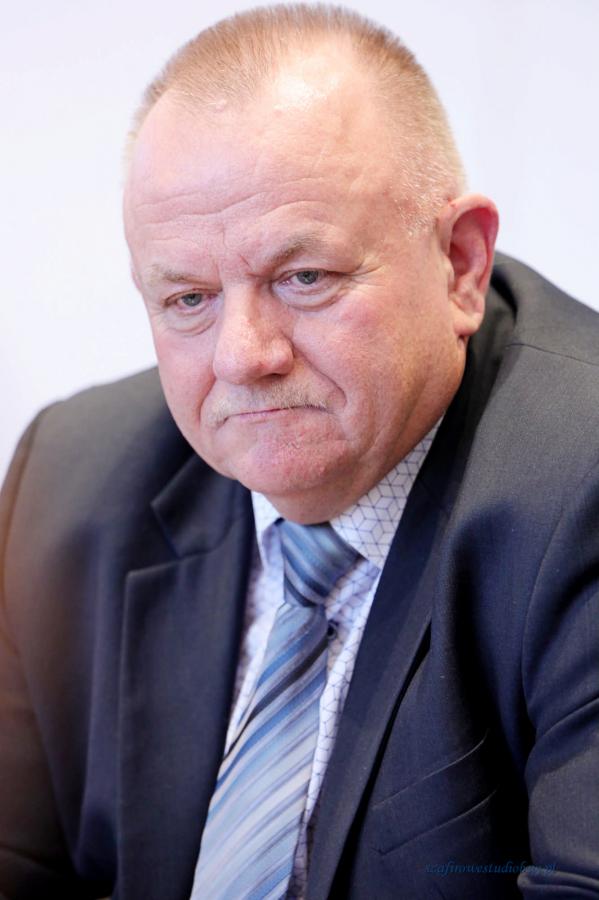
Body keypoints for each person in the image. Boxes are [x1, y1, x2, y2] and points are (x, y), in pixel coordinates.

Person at [1, 4, 597, 899]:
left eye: (303, 277)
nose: (244, 355)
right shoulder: (70, 484)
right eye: (189, 299)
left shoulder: (581, 482)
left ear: (460, 264)